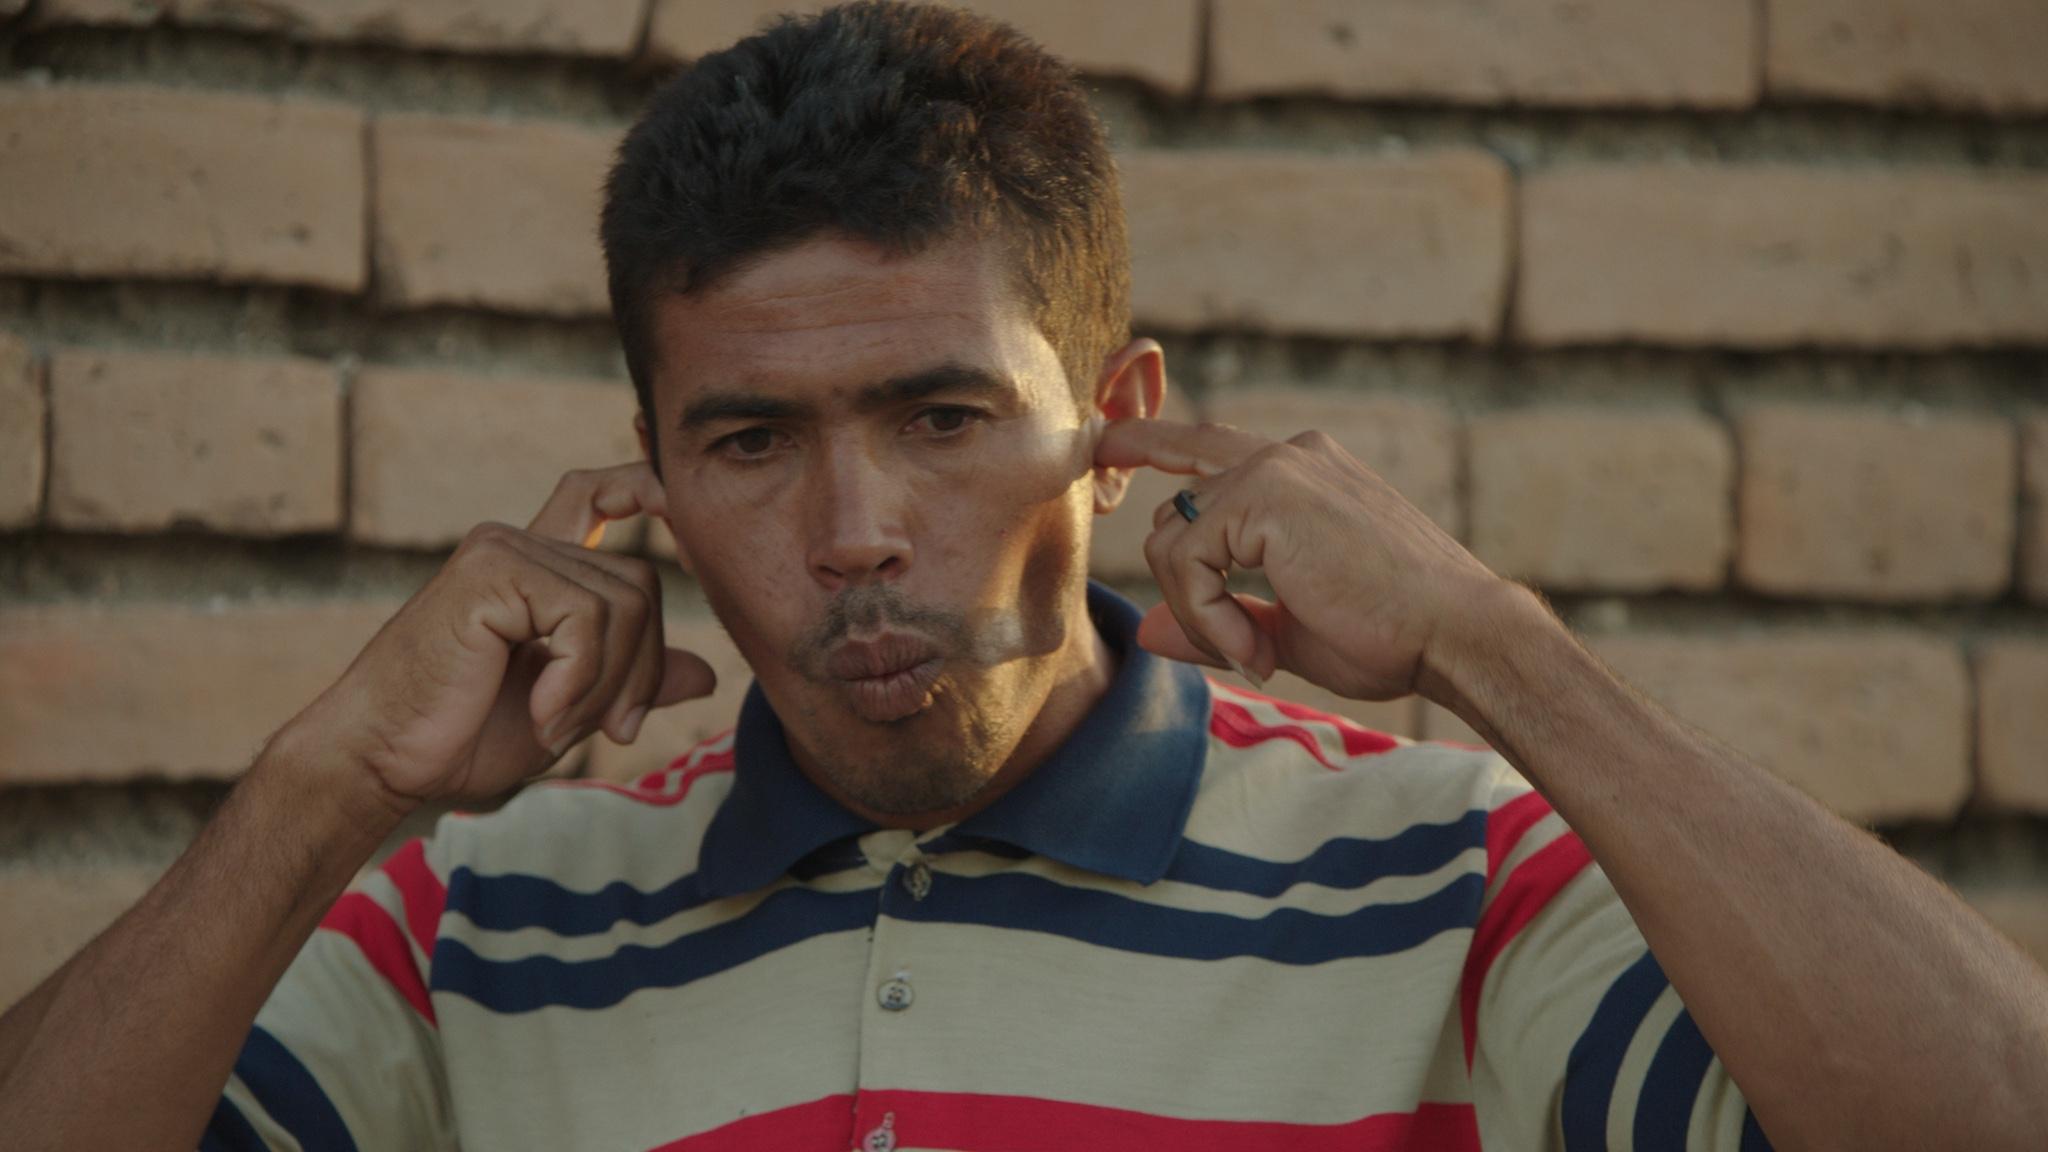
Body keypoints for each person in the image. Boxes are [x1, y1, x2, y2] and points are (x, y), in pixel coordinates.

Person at [3, 3, 2043, 1149]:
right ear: (644, 486)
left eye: (944, 416)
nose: (852, 527)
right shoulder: (483, 925)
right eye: (748, 442)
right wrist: (315, 790)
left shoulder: (1446, 876)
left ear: (1119, 417)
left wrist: (1496, 651)